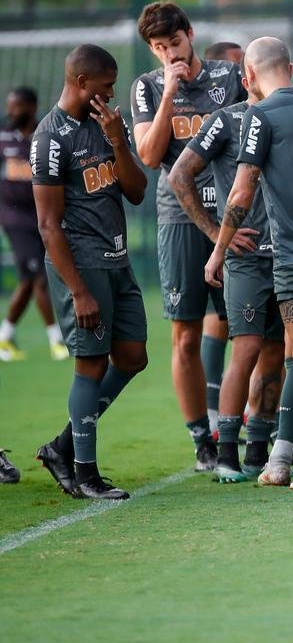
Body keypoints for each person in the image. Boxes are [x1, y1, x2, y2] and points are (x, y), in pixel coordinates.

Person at [203, 37, 293, 490]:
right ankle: (280, 454)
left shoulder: (258, 114)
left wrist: (219, 247)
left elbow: (241, 192)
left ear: (248, 78)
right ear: (292, 67)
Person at [131, 1, 244, 469]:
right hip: (179, 218)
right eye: (159, 49)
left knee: (250, 329)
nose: (169, 54)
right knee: (184, 336)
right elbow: (149, 153)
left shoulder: (228, 77)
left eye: (174, 43)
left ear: (190, 34)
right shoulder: (148, 87)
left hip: (234, 217)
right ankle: (202, 438)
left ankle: (252, 431)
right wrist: (167, 96)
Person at [32, 45, 148, 499]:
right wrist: (78, 291)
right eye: (105, 86)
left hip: (117, 260)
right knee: (91, 364)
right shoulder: (50, 138)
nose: (111, 94)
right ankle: (86, 474)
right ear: (82, 83)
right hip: (80, 265)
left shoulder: (107, 128)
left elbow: (136, 192)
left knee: (133, 357)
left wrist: (119, 141)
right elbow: (48, 224)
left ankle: (62, 447)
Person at [169, 92, 289, 483]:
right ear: (247, 79)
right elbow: (178, 174)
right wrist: (216, 232)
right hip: (248, 259)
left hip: (290, 255)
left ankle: (257, 451)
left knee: (277, 353)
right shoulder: (226, 120)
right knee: (247, 349)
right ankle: (225, 456)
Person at [0, 87, 67, 362]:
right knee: (38, 277)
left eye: (17, 107)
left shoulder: (45, 136)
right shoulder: (3, 138)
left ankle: (5, 337)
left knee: (30, 280)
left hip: (44, 217)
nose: (11, 112)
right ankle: (56, 341)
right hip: (15, 220)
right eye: (10, 106)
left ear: (31, 106)